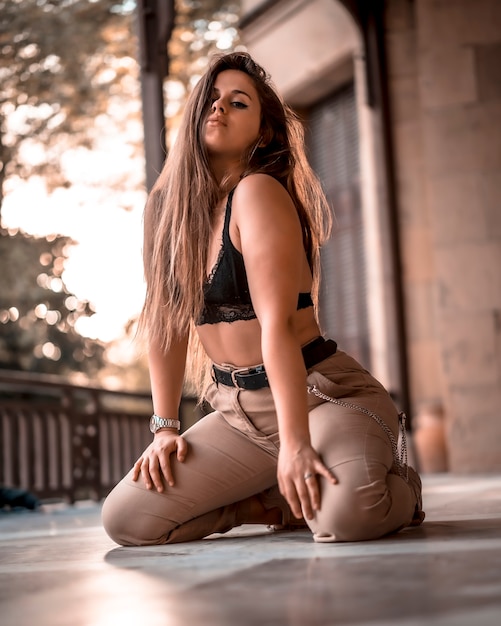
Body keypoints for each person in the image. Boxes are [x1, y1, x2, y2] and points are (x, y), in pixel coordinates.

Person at [102, 51, 424, 546]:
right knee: (127, 520)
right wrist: (165, 428)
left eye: (237, 102)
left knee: (346, 520)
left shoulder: (258, 193)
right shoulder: (165, 210)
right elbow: (167, 325)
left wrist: (295, 442)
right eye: (210, 99)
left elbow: (275, 328)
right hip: (236, 413)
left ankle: (403, 488)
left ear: (265, 131)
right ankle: (263, 504)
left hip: (319, 399)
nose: (218, 108)